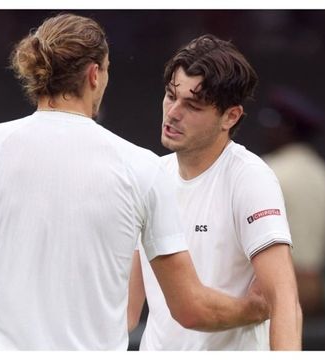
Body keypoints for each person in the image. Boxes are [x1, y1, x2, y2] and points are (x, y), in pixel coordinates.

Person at [0, 14, 268, 351]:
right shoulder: (142, 168)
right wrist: (255, 307)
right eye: (107, 69)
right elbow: (189, 307)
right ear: (94, 74)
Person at [128, 35, 303, 350]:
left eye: (192, 105)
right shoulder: (150, 175)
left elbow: (285, 300)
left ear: (230, 116)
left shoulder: (249, 178)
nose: (173, 113)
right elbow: (125, 310)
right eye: (170, 96)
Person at [258, 86, 325, 317]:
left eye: (271, 123)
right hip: (314, 286)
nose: (266, 131)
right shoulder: (323, 173)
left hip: (278, 284)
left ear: (287, 127)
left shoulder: (269, 171)